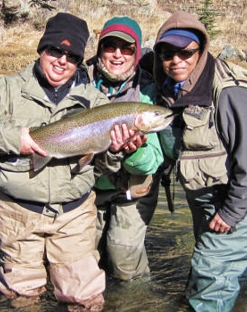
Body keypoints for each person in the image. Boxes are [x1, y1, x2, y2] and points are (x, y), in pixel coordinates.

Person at [0, 12, 139, 311]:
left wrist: (116, 150)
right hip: (17, 214)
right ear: (42, 49)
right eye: (55, 50)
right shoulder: (7, 90)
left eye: (72, 55)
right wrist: (18, 139)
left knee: (85, 300)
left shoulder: (95, 102)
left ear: (79, 61)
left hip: (74, 215)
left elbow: (104, 167)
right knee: (21, 299)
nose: (62, 60)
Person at [153, 10, 247, 311]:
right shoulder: (172, 86)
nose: (176, 60)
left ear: (201, 51)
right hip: (212, 192)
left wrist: (232, 212)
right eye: (168, 53)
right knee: (232, 269)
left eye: (186, 52)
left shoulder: (230, 92)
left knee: (210, 270)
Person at [86, 16, 164, 281]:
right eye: (110, 46)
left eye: (127, 48)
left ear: (137, 52)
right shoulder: (78, 81)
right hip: (88, 186)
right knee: (83, 260)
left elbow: (153, 160)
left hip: (133, 187)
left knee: (124, 262)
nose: (118, 54)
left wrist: (134, 151)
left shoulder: (149, 93)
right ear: (99, 50)